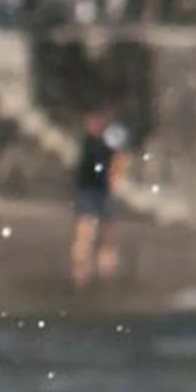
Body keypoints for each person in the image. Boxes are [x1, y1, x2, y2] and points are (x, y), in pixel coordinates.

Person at [71, 106, 134, 289]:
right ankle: (82, 264)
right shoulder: (89, 141)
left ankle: (104, 258)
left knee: (106, 226)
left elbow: (121, 158)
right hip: (88, 187)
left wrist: (116, 177)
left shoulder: (109, 139)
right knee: (85, 226)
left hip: (102, 188)